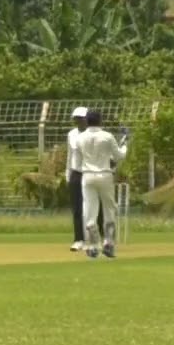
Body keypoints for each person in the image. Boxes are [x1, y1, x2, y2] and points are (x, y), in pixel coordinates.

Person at [77, 110, 127, 259]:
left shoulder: (80, 138)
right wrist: (125, 144)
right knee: (109, 209)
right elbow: (119, 156)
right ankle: (108, 244)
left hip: (87, 176)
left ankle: (92, 246)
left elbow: (84, 156)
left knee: (89, 210)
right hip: (104, 175)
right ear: (100, 121)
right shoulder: (107, 136)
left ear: (87, 121)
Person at [65, 106, 102, 251]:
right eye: (76, 119)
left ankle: (95, 239)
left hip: (91, 173)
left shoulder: (95, 134)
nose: (78, 121)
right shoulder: (71, 134)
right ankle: (78, 239)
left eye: (81, 118)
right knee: (77, 208)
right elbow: (70, 155)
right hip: (76, 173)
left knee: (94, 208)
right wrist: (68, 174)